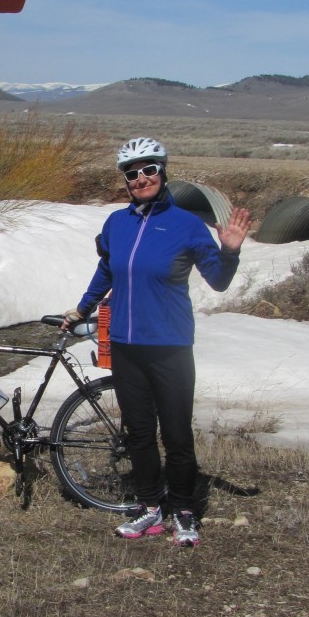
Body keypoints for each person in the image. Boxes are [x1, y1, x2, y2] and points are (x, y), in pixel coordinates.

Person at [64, 136, 251, 547]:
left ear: (163, 173)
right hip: (126, 345)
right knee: (139, 433)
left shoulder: (187, 225)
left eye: (149, 170)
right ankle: (149, 506)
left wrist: (230, 252)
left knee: (177, 435)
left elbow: (218, 281)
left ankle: (183, 510)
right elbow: (108, 270)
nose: (141, 178)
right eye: (132, 174)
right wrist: (81, 309)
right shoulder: (117, 223)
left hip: (170, 348)